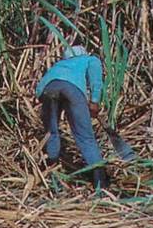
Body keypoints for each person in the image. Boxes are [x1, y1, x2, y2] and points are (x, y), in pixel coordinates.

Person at [35, 44, 108, 190]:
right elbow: (96, 81)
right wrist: (94, 101)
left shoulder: (59, 64)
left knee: (52, 132)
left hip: (49, 89)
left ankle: (52, 174)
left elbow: (39, 88)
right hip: (72, 90)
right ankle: (101, 181)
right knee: (85, 137)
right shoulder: (89, 59)